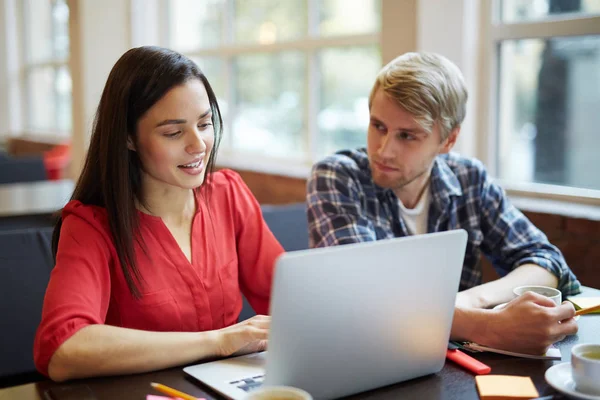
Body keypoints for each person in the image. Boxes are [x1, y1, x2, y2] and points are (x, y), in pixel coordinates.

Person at [34, 46, 284, 382]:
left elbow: (289, 301)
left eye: (205, 123)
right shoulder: (90, 226)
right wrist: (219, 341)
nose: (198, 145)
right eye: (173, 132)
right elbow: (63, 348)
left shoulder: (228, 194)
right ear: (128, 137)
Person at [306, 52, 581, 355]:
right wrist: (487, 326)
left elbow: (546, 261)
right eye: (378, 126)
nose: (384, 151)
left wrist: (468, 302)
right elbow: (365, 301)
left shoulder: (469, 179)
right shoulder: (337, 176)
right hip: (369, 357)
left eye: (407, 136)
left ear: (448, 141)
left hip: (454, 360)